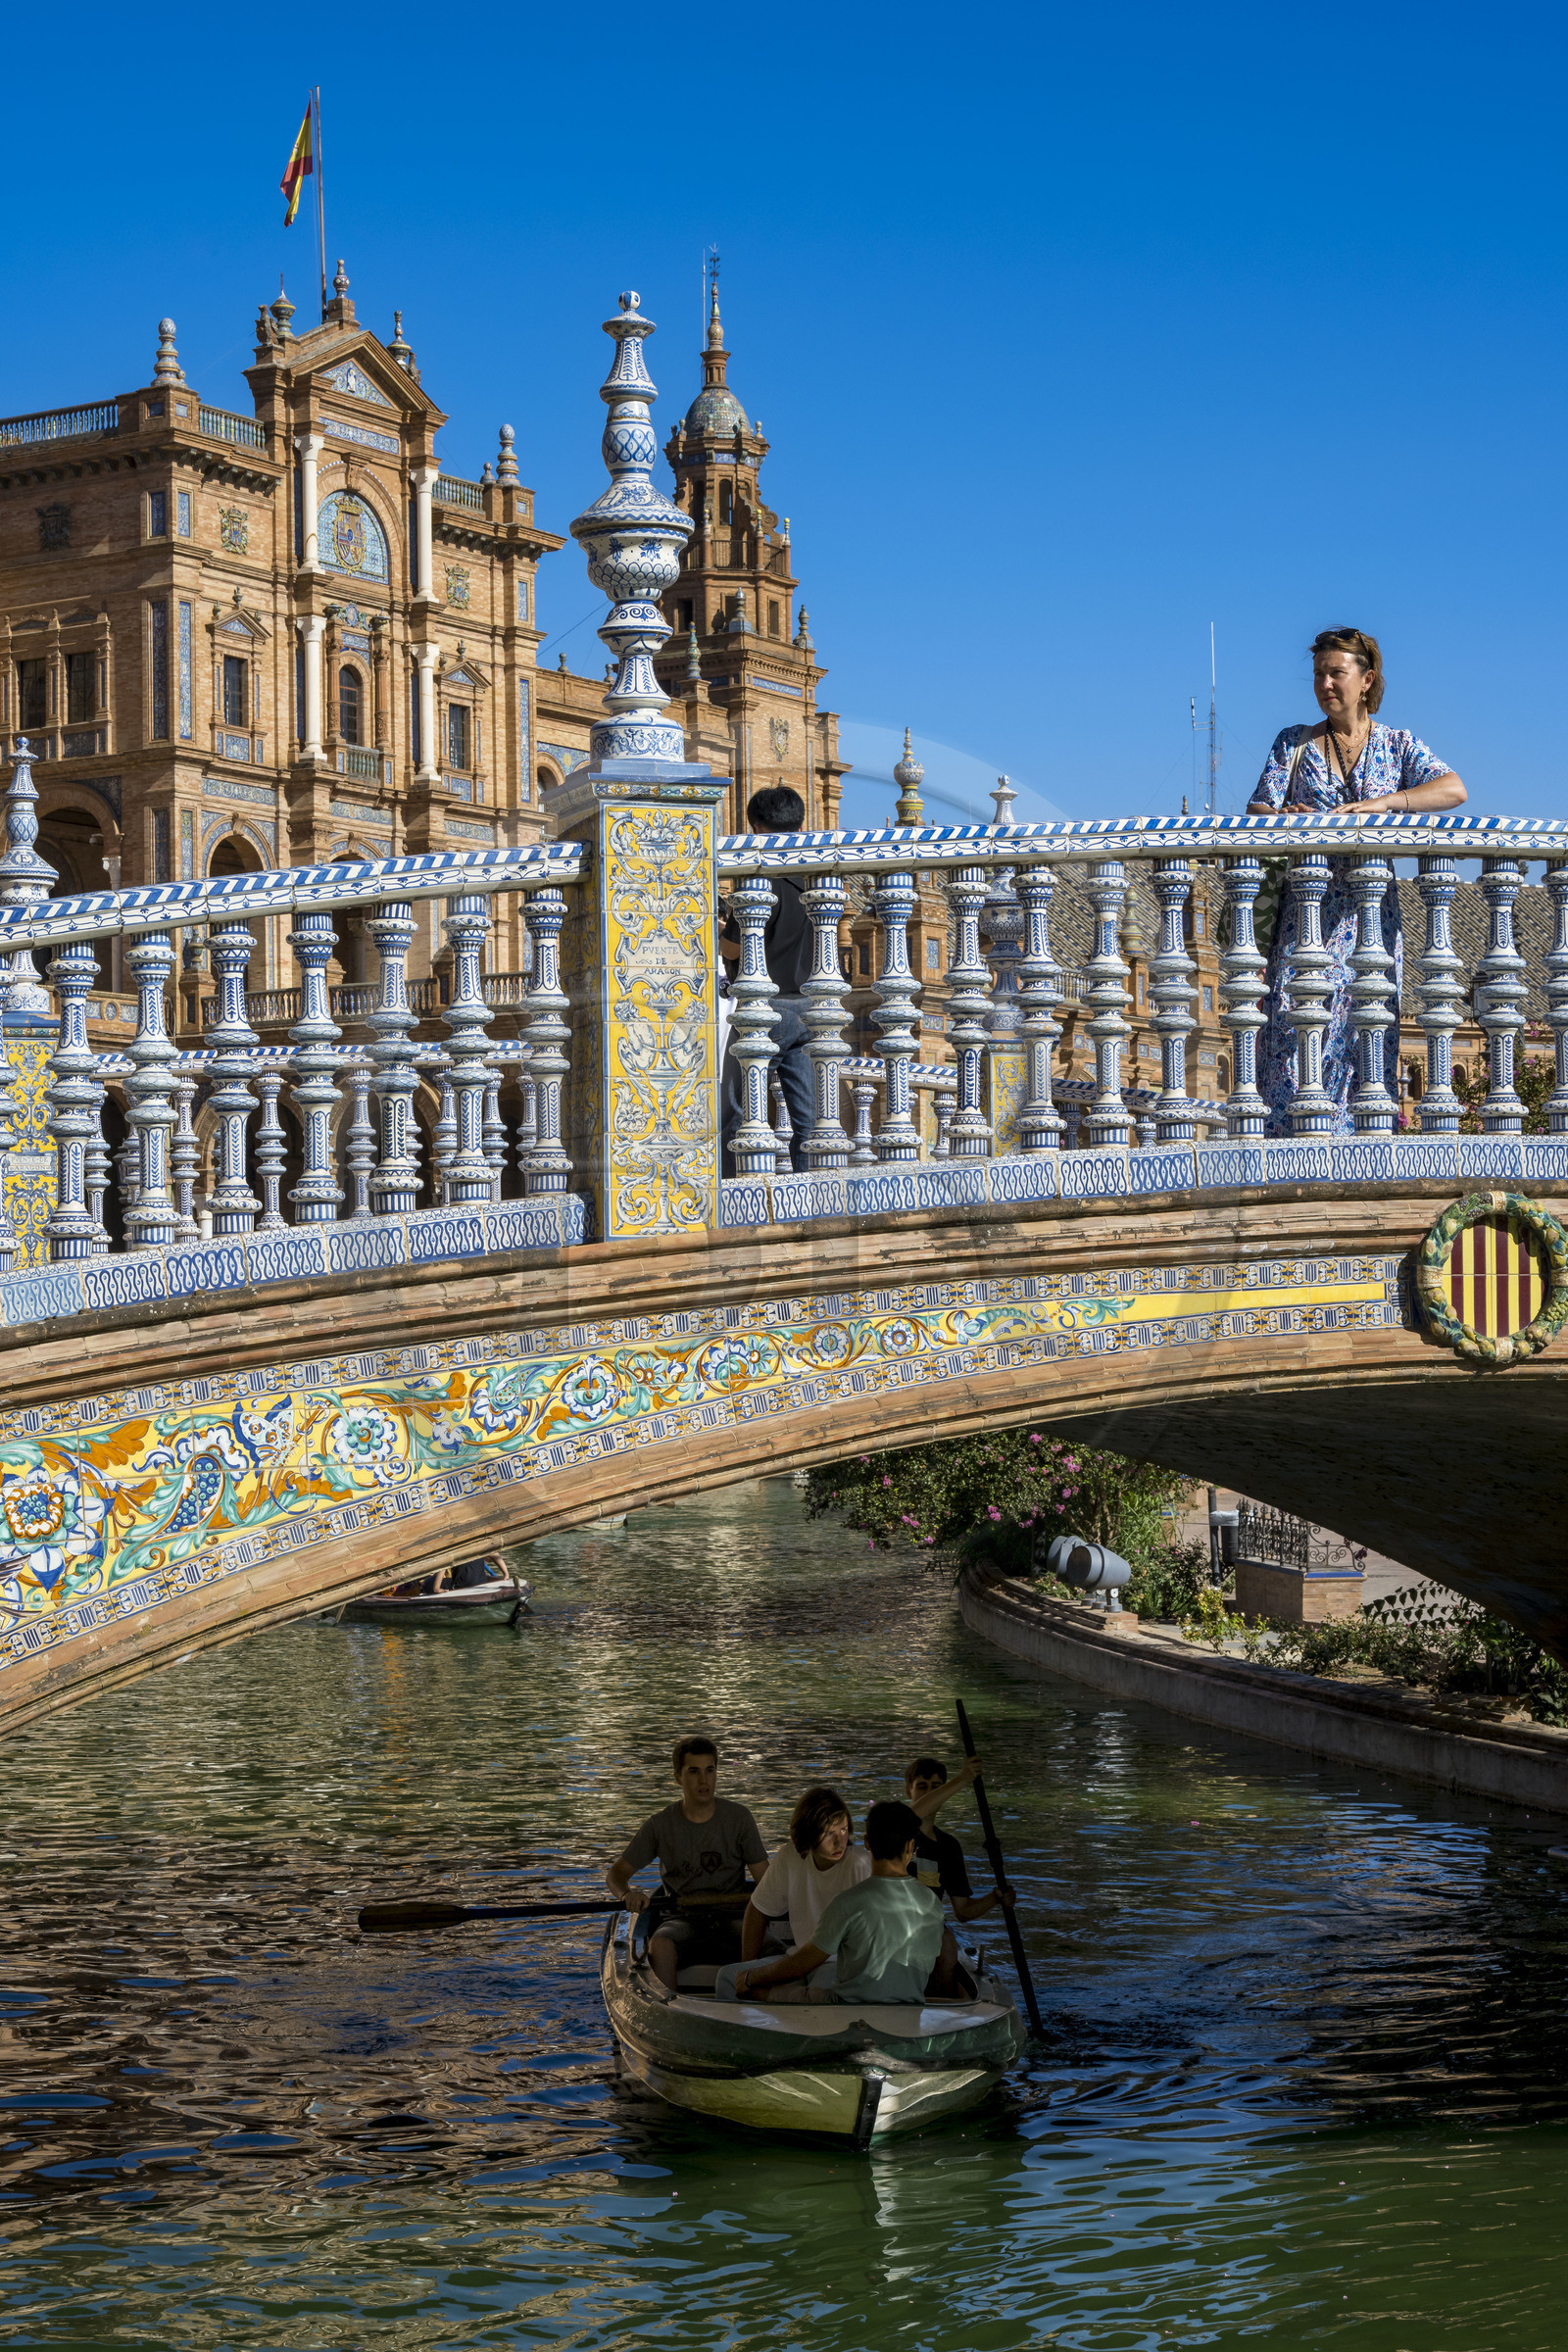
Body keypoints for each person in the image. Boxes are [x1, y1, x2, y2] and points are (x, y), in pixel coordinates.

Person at [1247, 629, 1466, 1136]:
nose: (1325, 684)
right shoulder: (1294, 742)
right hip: (1306, 913)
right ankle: (1295, 1144)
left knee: (1365, 1028)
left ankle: (1361, 1145)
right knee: (1295, 1021)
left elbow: (1453, 789)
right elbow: (1257, 808)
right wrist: (1282, 816)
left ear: (1366, 680)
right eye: (1318, 674)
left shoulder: (1396, 744)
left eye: (1336, 673)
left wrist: (1387, 803)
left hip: (1371, 917)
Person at [719, 1800, 955, 2005]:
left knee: (748, 1989)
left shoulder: (847, 1903)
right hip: (908, 2009)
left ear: (867, 1843)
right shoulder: (931, 1903)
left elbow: (802, 1964)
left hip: (843, 2007)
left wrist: (750, 1977)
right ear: (911, 1847)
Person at [606, 1736, 768, 1991]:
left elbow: (766, 1882)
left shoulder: (740, 1818)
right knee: (660, 1945)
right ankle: (669, 2007)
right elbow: (616, 1874)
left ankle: (763, 2004)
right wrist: (627, 1895)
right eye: (694, 1772)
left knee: (774, 1949)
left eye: (710, 1770)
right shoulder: (660, 1825)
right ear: (678, 1777)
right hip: (681, 1919)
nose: (704, 1780)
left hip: (734, 1918)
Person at [719, 785, 815, 1174]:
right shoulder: (815, 878)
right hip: (811, 1007)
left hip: (767, 1009)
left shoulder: (761, 881)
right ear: (800, 825)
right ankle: (812, 1192)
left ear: (756, 827)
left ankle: (737, 1189)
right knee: (810, 1117)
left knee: (739, 1109)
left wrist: (721, 931)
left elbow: (733, 950)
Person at [739, 1785, 871, 1970]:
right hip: (799, 1959)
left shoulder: (860, 1865)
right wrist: (747, 1968)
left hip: (839, 1965)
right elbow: (757, 1909)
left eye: (843, 1830)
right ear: (808, 1832)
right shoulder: (789, 1856)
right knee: (728, 1977)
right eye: (828, 1833)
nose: (839, 1842)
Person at [905, 1755, 1017, 1925]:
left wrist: (996, 1898)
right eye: (922, 1787)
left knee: (947, 1939)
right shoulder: (894, 1829)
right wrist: (962, 1779)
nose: (930, 1794)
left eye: (936, 1788)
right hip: (890, 1924)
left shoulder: (948, 1846)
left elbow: (963, 1912)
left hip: (925, 1929)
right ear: (909, 1791)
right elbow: (909, 1818)